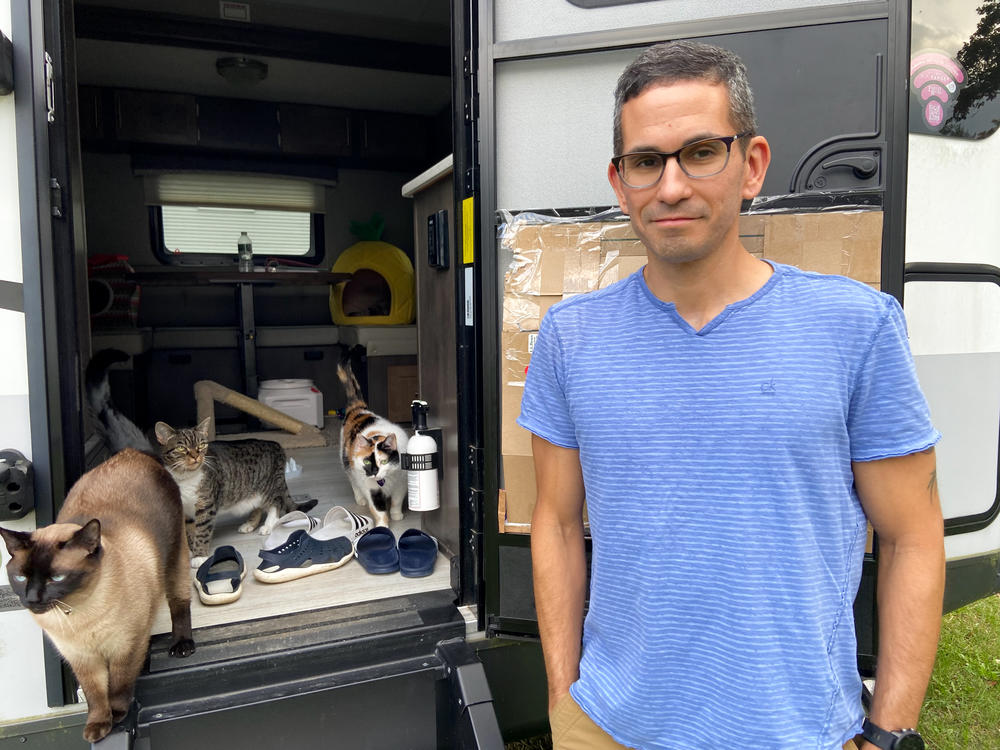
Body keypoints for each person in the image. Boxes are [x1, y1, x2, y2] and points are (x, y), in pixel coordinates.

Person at [518, 40, 945, 750]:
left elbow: (913, 535)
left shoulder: (857, 328)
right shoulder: (571, 337)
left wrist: (890, 731)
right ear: (620, 183)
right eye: (647, 161)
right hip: (610, 727)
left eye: (701, 152)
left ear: (751, 165)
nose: (672, 186)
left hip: (795, 731)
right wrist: (566, 702)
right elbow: (556, 525)